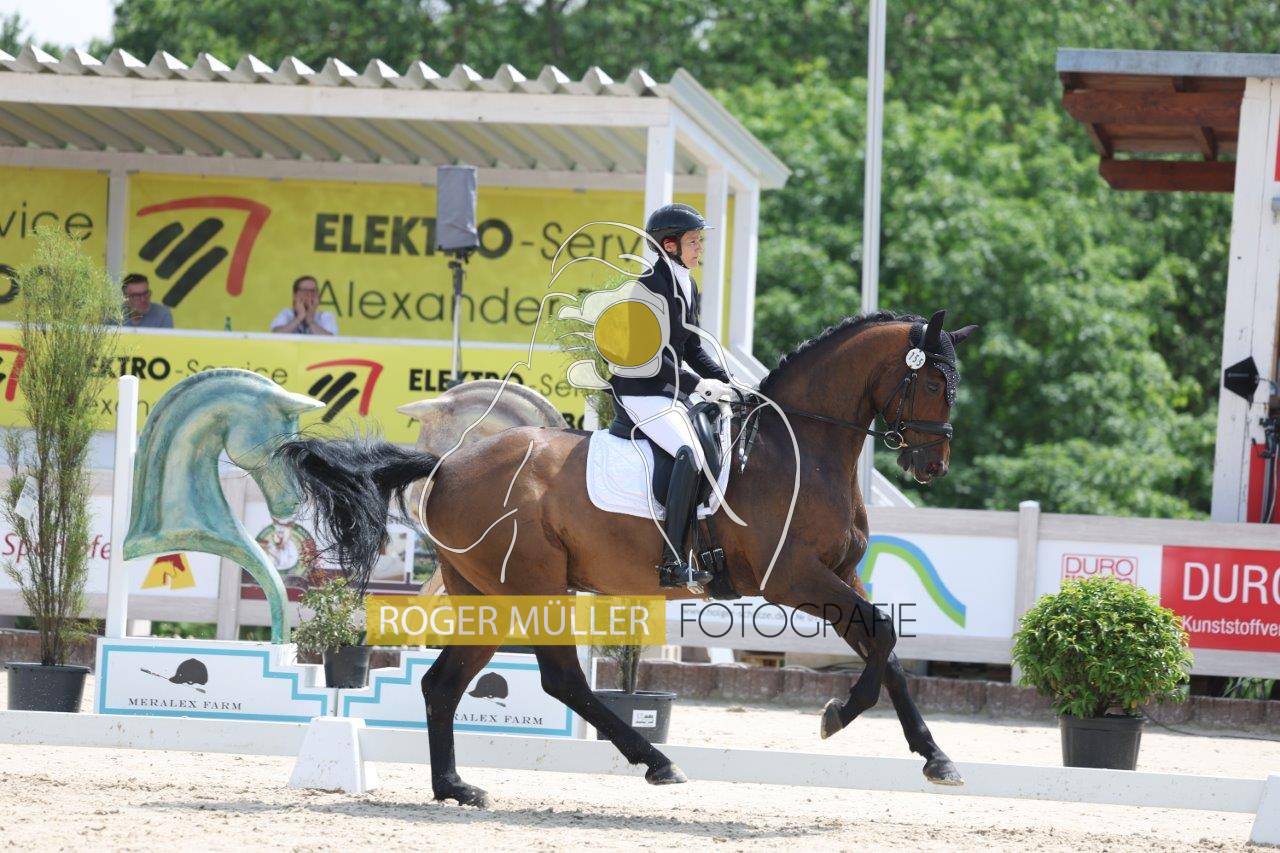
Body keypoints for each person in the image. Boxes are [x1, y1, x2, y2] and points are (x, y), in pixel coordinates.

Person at [609, 203, 739, 589]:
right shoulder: (646, 288)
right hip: (640, 390)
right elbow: (649, 357)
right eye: (693, 242)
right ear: (669, 245)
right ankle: (671, 562)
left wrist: (731, 381)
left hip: (668, 390)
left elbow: (692, 349)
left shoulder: (688, 284)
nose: (700, 248)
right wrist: (698, 385)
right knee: (689, 454)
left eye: (700, 241)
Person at [270, 275, 337, 335]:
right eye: (304, 290)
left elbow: (331, 340)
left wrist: (310, 321)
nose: (309, 294)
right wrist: (300, 317)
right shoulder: (287, 313)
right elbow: (276, 335)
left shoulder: (325, 316)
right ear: (295, 295)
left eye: (313, 291)